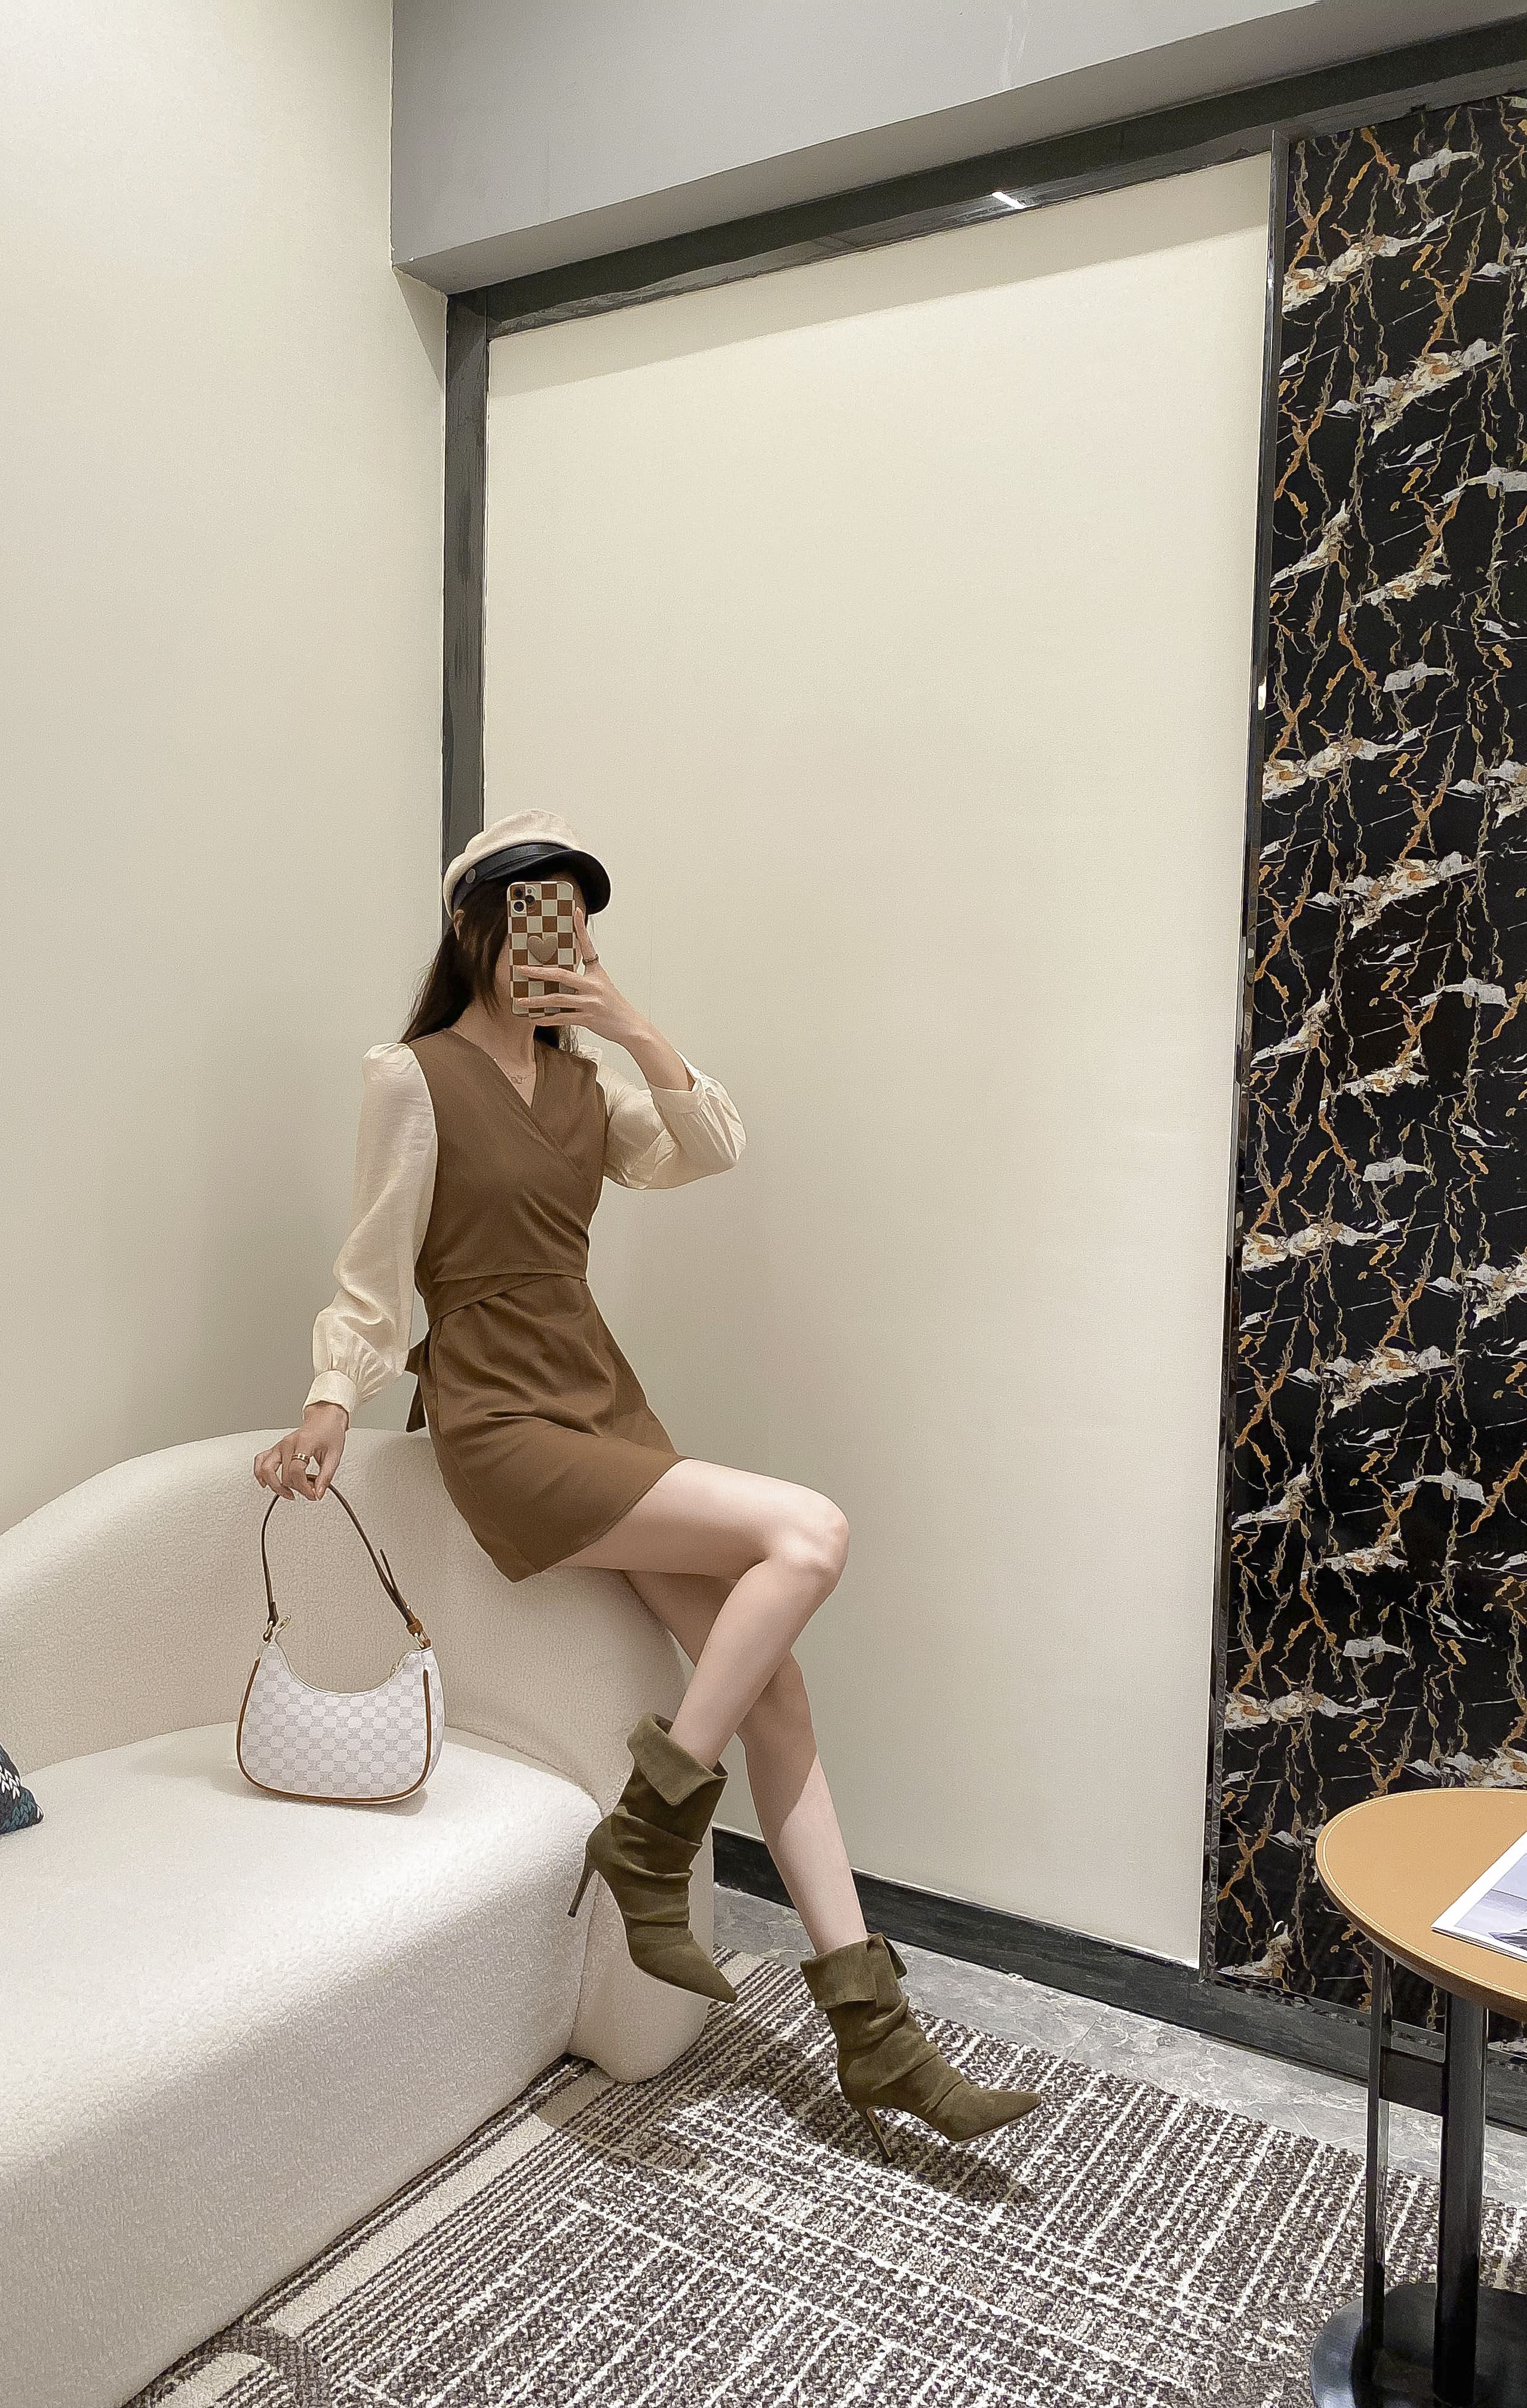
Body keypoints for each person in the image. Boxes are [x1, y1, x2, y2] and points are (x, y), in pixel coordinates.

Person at [254, 809, 1039, 2157]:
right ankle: (653, 1830)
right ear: (473, 925)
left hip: (601, 1398)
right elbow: (373, 1275)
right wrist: (333, 1397)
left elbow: (710, 1142)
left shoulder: (588, 1092)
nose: (550, 935)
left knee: (780, 1691)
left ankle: (876, 2034)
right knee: (810, 1533)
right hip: (502, 1418)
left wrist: (625, 1020)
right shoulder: (412, 1077)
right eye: (528, 908)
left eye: (571, 913)